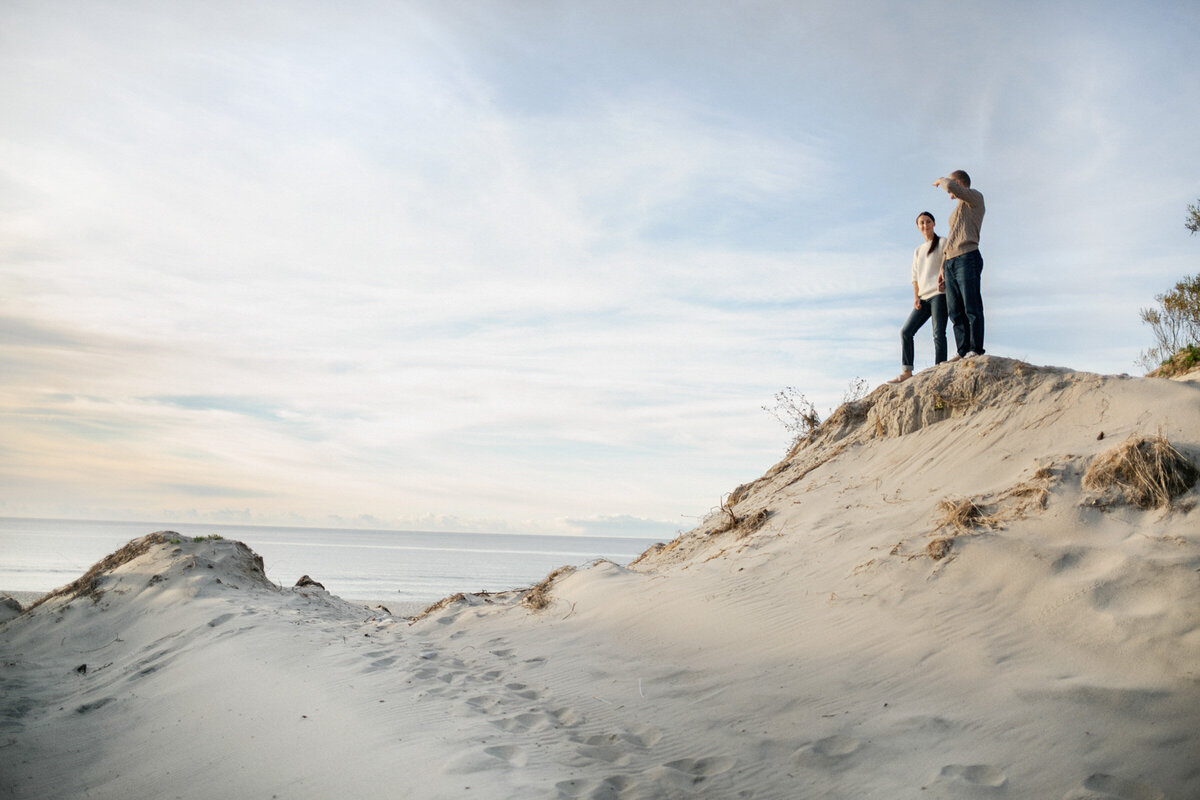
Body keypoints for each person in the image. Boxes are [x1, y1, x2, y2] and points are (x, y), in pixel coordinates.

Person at [888, 212, 947, 383]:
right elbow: (914, 277)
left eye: (928, 222)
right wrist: (916, 297)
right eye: (921, 223)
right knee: (906, 332)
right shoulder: (918, 250)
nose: (925, 225)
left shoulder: (942, 242)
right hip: (923, 297)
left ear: (933, 223)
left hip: (938, 295)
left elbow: (948, 260)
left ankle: (940, 367)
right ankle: (907, 371)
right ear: (917, 226)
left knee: (938, 333)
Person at [933, 170, 986, 360]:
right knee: (955, 310)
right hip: (950, 261)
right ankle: (962, 349)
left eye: (950, 189)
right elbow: (951, 238)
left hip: (967, 256)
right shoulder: (956, 211)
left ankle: (975, 349)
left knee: (971, 305)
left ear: (958, 183)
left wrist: (942, 180)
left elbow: (951, 186)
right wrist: (942, 267)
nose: (949, 195)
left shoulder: (975, 198)